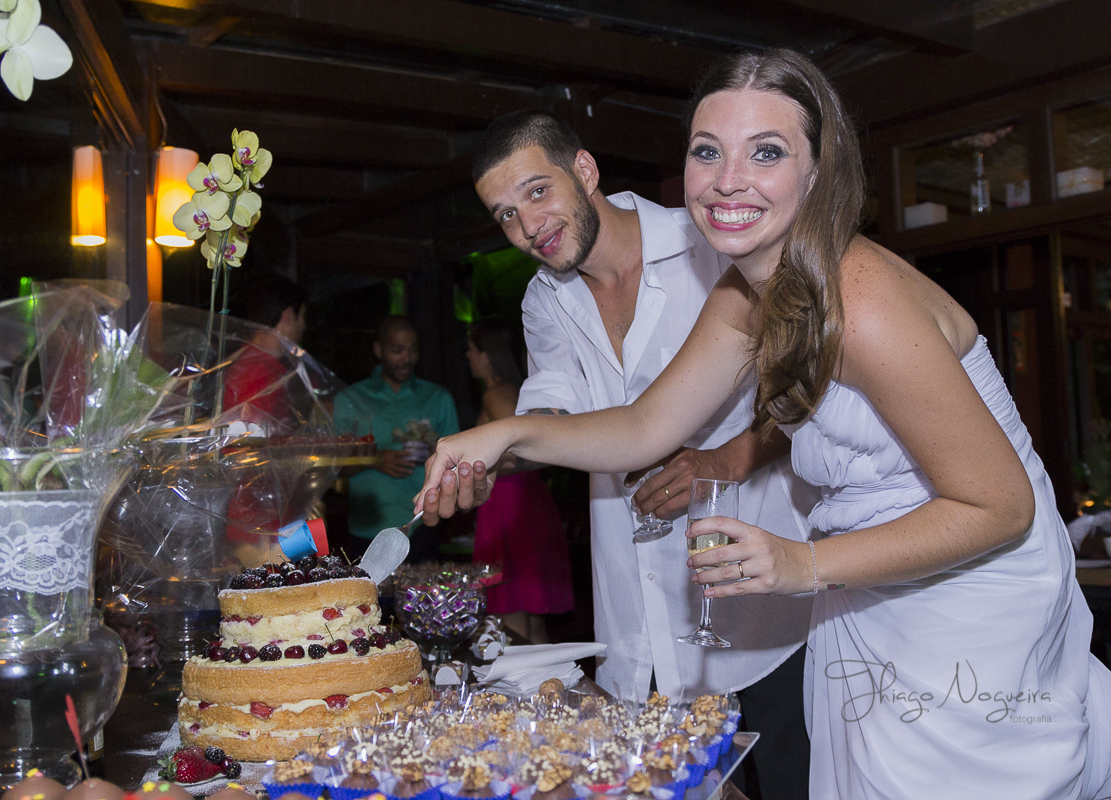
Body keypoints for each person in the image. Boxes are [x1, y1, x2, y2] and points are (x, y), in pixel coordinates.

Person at [420, 50, 1111, 799]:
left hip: (967, 606)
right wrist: (504, 435)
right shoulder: (745, 293)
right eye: (707, 151)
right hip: (866, 593)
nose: (727, 179)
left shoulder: (861, 303)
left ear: (817, 174)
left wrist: (802, 565)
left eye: (768, 152)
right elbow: (648, 427)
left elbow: (1000, 507)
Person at [444, 110, 815, 799]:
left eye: (536, 193)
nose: (527, 228)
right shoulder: (543, 301)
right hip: (638, 633)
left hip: (761, 621)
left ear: (584, 171)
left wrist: (728, 458)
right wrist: (491, 458)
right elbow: (548, 415)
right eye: (504, 216)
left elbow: (809, 391)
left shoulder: (711, 243)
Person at [466, 317, 574, 644]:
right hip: (526, 502)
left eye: (470, 351)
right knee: (530, 616)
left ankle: (523, 693)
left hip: (507, 505)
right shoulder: (512, 389)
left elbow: (529, 454)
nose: (467, 357)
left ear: (486, 356)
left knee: (509, 618)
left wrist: (475, 465)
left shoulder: (496, 394)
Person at [334, 315, 459, 563]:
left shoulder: (437, 398)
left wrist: (438, 453)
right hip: (367, 528)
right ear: (378, 350)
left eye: (413, 350)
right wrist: (375, 459)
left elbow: (457, 464)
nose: (406, 359)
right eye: (397, 350)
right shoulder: (350, 398)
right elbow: (333, 466)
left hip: (422, 526)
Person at [223, 271, 308, 430]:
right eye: (302, 316)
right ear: (288, 316)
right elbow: (251, 444)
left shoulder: (255, 364)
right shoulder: (257, 372)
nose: (304, 325)